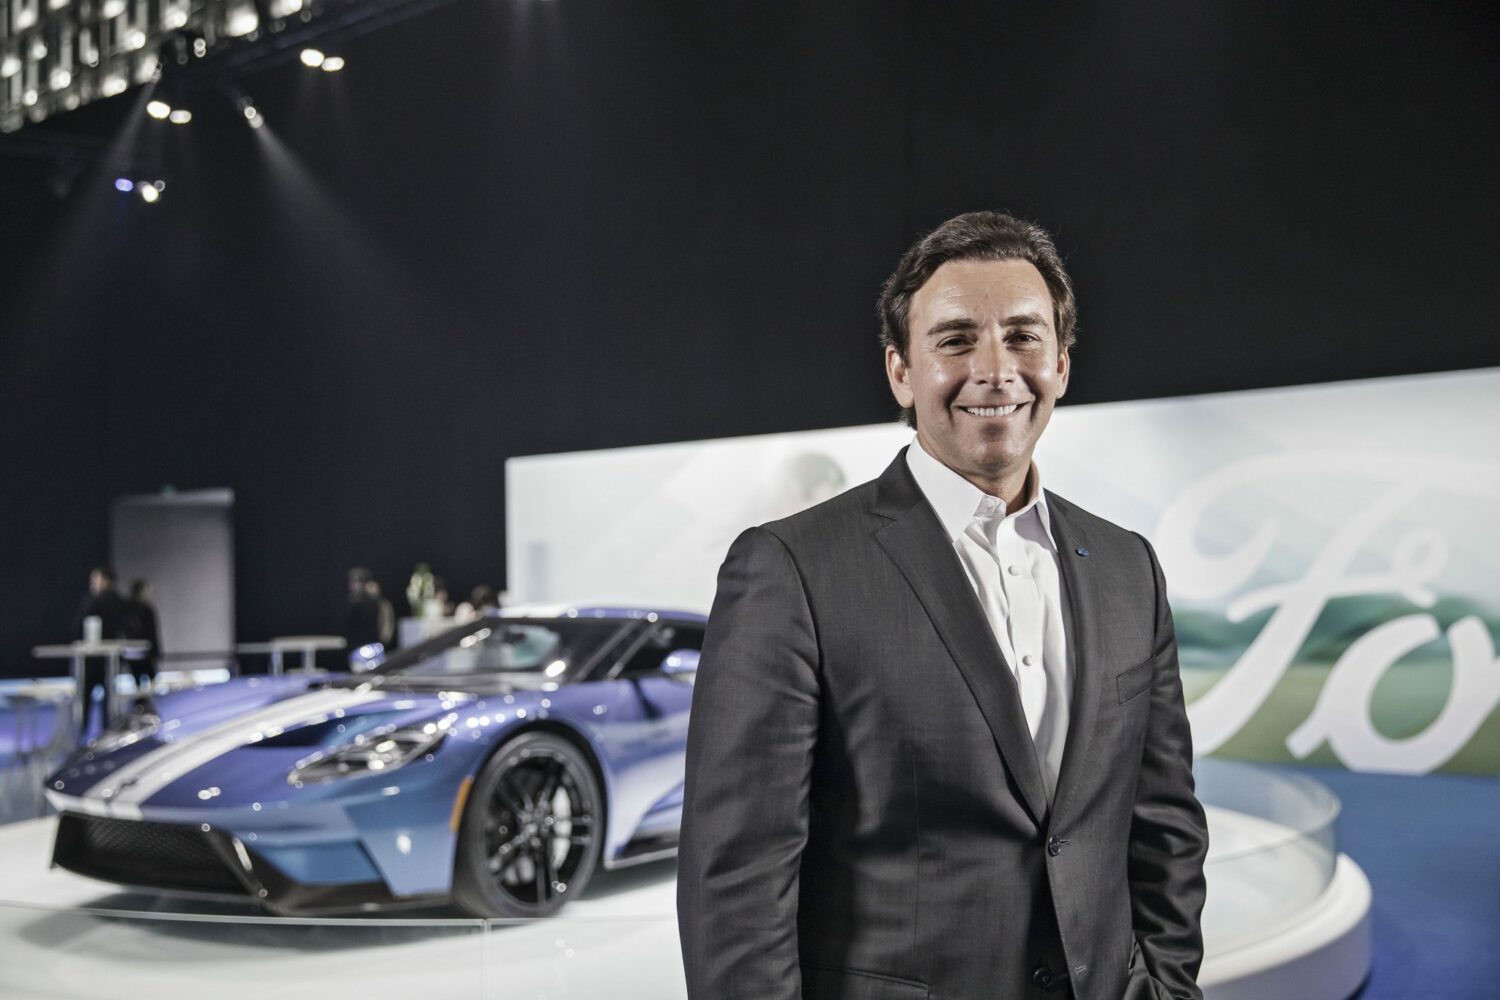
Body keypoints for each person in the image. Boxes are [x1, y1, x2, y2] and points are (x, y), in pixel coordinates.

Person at [677, 212, 1209, 1000]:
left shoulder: (1129, 568)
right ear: (901, 372)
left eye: (1023, 337)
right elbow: (738, 882)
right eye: (957, 340)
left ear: (1061, 363)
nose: (995, 370)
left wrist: (1166, 985)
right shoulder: (791, 569)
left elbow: (1165, 826)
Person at [122, 578, 162, 694]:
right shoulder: (146, 609)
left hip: (130, 651)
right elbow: (152, 632)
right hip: (144, 651)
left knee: (138, 681)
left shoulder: (126, 608)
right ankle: (146, 700)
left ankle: (140, 701)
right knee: (151, 677)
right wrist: (156, 651)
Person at [340, 567, 383, 652]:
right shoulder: (349, 602)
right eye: (352, 581)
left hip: (370, 644)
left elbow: (381, 622)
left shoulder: (374, 602)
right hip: (352, 644)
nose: (353, 585)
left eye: (358, 582)